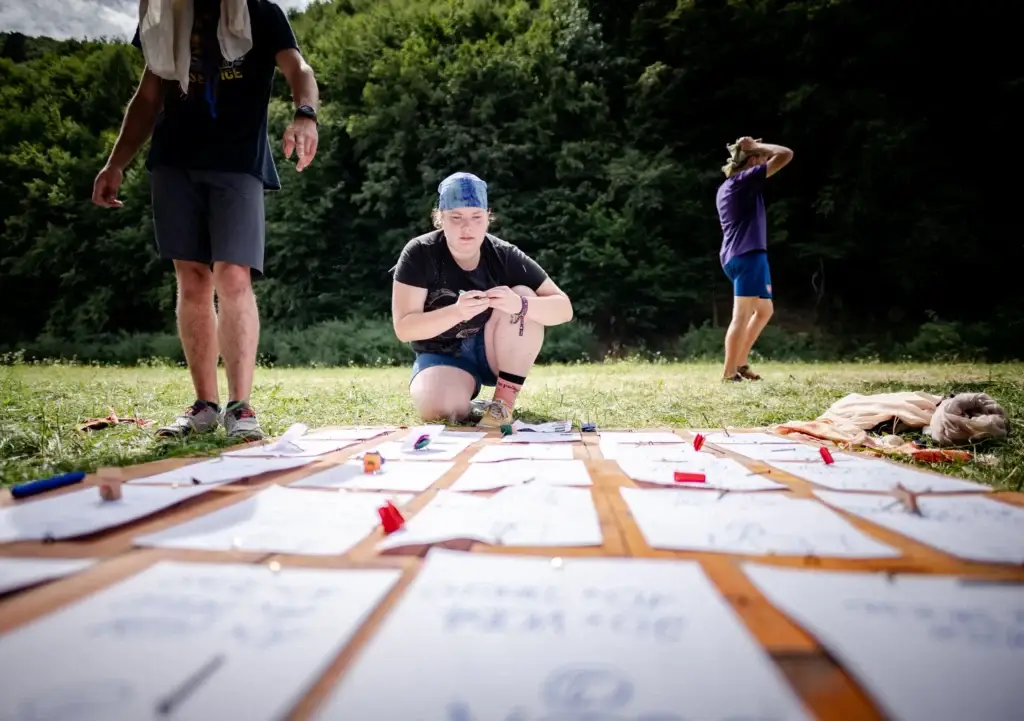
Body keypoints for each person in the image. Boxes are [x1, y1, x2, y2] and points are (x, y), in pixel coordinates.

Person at [91, 0, 319, 440]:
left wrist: (304, 114)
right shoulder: (164, 14)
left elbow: (299, 70)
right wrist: (116, 162)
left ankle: (241, 408)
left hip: (237, 163)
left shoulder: (262, 12)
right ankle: (204, 406)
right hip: (175, 162)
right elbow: (148, 96)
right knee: (192, 279)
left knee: (233, 275)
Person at [390, 172, 574, 426]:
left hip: (494, 348)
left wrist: (519, 305)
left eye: (476, 217)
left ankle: (502, 404)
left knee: (524, 296)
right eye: (456, 218)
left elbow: (563, 309)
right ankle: (471, 404)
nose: (467, 227)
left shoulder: (503, 254)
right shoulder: (419, 253)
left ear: (488, 218)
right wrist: (456, 312)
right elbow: (404, 328)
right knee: (441, 411)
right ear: (440, 218)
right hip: (443, 354)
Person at [716, 136, 793, 382]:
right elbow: (785, 154)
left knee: (764, 310)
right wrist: (757, 147)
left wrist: (753, 150)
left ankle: (740, 363)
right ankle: (729, 374)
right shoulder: (743, 180)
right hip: (747, 255)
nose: (765, 159)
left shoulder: (729, 185)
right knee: (741, 315)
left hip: (739, 254)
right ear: (752, 160)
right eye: (760, 157)